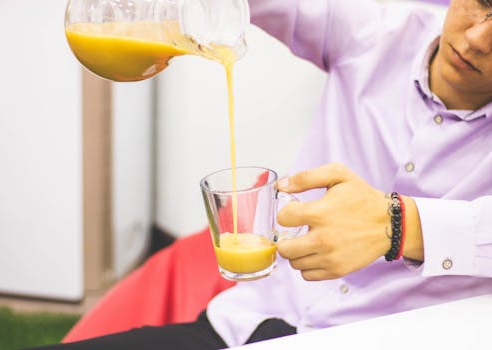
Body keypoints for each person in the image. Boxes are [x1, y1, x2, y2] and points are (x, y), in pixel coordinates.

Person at [29, 0, 492, 348]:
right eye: (482, 3)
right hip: (244, 322)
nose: (477, 39)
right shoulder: (380, 30)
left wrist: (401, 225)